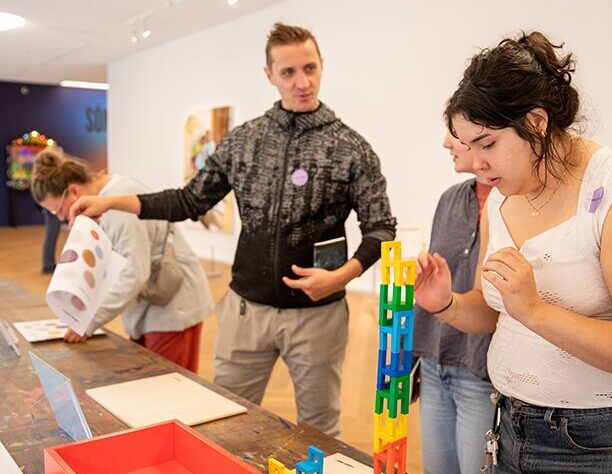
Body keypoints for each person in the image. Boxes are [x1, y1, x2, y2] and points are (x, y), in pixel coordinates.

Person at [69, 23, 396, 437]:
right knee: (224, 420)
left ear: (322, 66)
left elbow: (381, 228)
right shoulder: (245, 141)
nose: (303, 82)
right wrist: (111, 201)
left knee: (320, 432)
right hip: (246, 314)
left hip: (318, 318)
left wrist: (342, 276)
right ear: (269, 75)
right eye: (289, 73)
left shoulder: (351, 148)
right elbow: (189, 201)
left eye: (310, 69)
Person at [415, 30, 612, 474]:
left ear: (537, 124)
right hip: (514, 430)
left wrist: (538, 310)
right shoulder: (503, 192)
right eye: (465, 146)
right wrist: (447, 302)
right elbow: (492, 313)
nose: (469, 164)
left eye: (486, 144)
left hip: (603, 453)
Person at [31, 148, 213, 373]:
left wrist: (88, 323)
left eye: (57, 210)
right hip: (149, 303)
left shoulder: (115, 203)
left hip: (173, 307)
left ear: (73, 191)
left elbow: (133, 273)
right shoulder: (103, 198)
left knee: (169, 388)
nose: (59, 218)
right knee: (149, 382)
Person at [413, 128, 494, 474]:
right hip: (435, 364)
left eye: (454, 135)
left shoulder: (517, 203)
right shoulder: (449, 200)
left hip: (481, 375)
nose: (445, 143)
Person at [40, 207, 61, 273]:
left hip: (52, 208)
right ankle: (48, 265)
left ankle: (49, 264)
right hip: (52, 209)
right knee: (51, 236)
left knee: (52, 235)